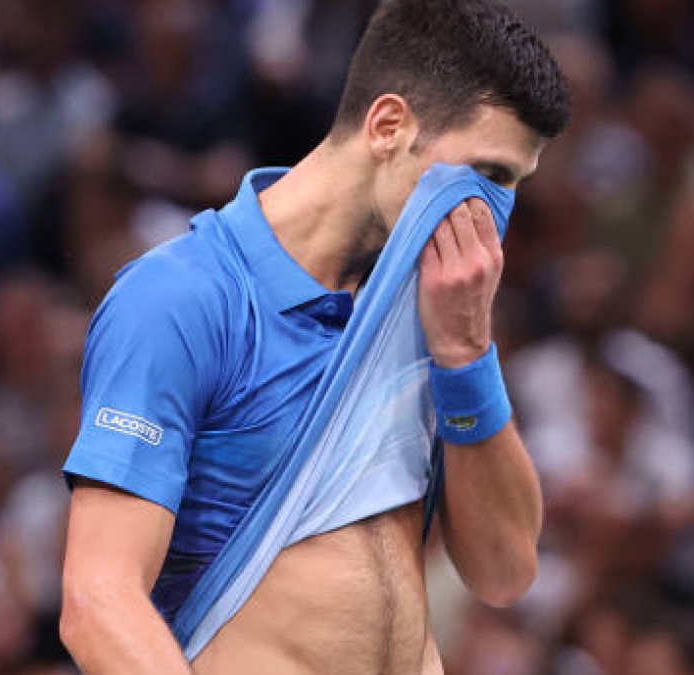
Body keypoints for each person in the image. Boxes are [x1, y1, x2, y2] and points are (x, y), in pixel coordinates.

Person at [57, 2, 570, 675]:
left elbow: (504, 570)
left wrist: (465, 353)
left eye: (515, 185)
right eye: (489, 174)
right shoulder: (183, 298)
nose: (496, 215)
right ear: (388, 126)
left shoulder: (432, 305)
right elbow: (99, 600)